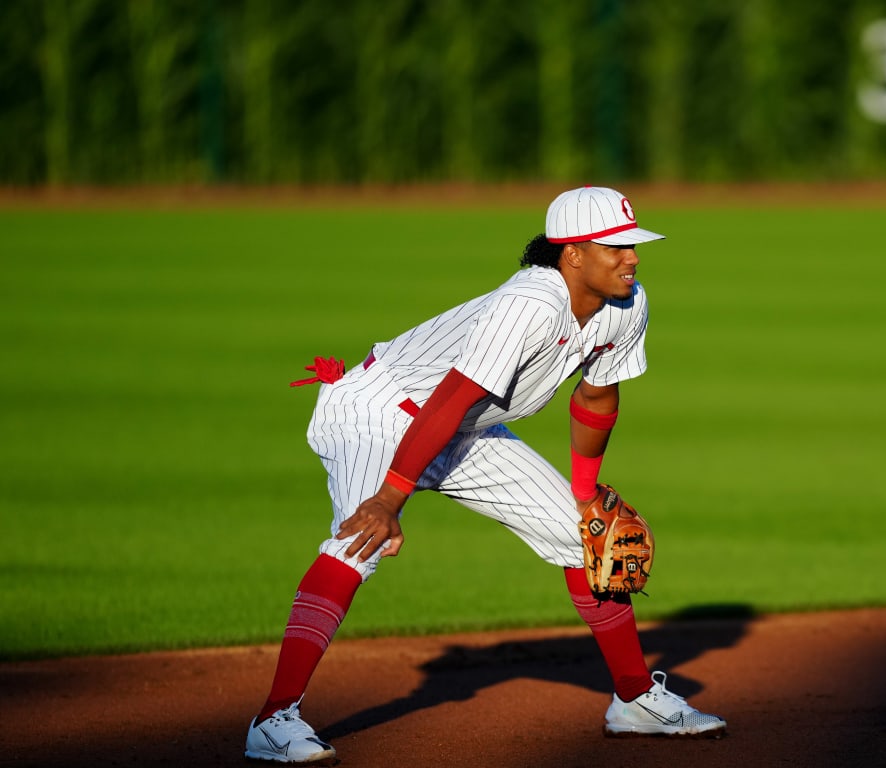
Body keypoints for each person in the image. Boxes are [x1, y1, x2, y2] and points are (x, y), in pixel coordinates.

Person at [246, 186, 727, 764]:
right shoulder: (529, 303)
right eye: (616, 246)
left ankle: (635, 701)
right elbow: (449, 399)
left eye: (633, 245)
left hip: (463, 429)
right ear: (572, 254)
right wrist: (390, 498)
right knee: (360, 540)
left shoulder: (627, 305)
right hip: (379, 409)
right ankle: (273, 719)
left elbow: (597, 398)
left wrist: (584, 493)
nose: (632, 257)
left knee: (583, 536)